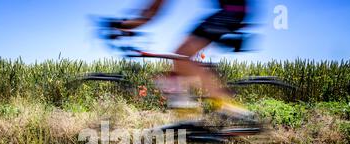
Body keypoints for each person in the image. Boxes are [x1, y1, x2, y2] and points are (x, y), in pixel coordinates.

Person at [110, 0, 257, 123]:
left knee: (181, 55)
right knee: (180, 61)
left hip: (233, 11)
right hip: (233, 10)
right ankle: (188, 111)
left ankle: (224, 106)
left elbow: (153, 9)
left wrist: (125, 25)